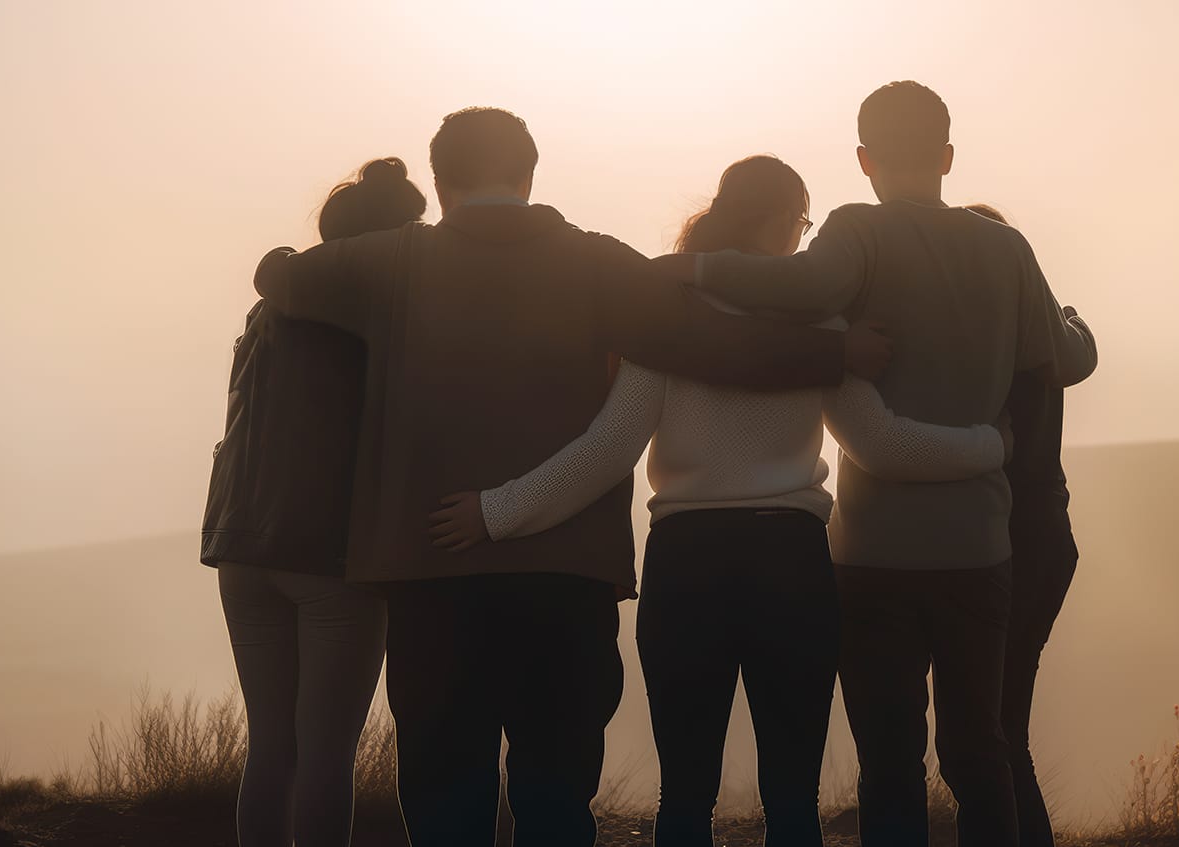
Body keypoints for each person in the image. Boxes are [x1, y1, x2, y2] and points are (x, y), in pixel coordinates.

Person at [251, 109, 890, 847]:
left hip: (432, 570)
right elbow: (708, 342)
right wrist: (832, 355)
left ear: (440, 180)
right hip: (567, 576)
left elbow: (278, 277)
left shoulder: (390, 260)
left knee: (446, 795)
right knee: (556, 800)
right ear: (528, 174)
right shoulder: (596, 262)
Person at [428, 154, 1012, 847]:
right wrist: (993, 443)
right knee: (792, 797)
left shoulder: (667, 325)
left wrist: (496, 511)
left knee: (685, 797)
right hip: (792, 564)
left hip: (688, 567)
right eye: (801, 223)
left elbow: (606, 451)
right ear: (779, 221)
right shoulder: (824, 330)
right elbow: (884, 445)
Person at [655, 82, 1098, 847]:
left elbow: (803, 285)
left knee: (890, 762)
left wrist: (692, 271)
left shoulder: (857, 232)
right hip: (978, 548)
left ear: (863, 159)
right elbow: (1061, 359)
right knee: (979, 754)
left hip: (874, 556)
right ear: (949, 155)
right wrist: (1078, 327)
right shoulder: (1007, 250)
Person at [201, 157, 427, 847]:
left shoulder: (267, 310)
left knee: (273, 747)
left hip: (242, 547)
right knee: (327, 750)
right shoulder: (375, 314)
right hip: (331, 554)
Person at [964, 203, 1081, 847]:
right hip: (1047, 535)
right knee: (1004, 723)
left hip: (1003, 541)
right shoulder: (1045, 338)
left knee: (992, 730)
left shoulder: (980, 344)